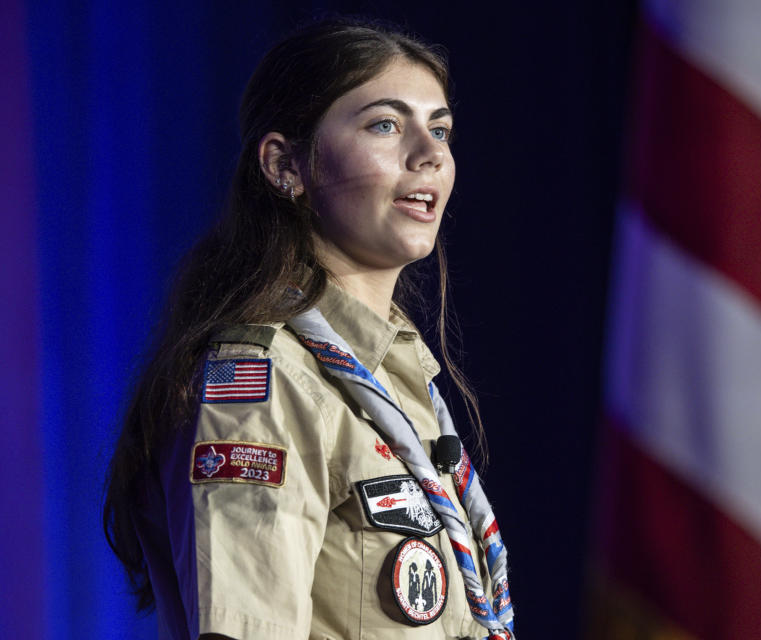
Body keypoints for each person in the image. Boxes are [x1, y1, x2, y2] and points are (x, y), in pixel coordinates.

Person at [102, 19, 514, 640]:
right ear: (285, 166)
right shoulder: (262, 381)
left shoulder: (397, 376)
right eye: (385, 124)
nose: (429, 153)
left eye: (440, 129)